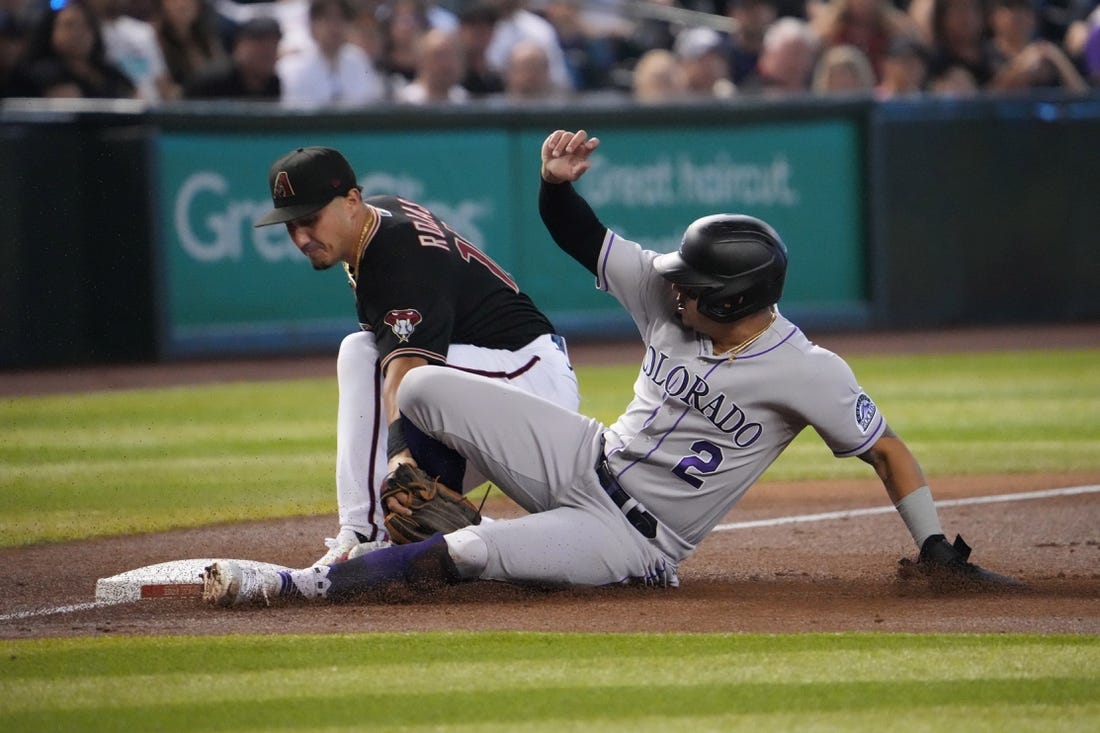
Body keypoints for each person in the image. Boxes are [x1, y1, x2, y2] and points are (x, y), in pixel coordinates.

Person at [203, 129, 1019, 606]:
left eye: (693, 286)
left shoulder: (809, 372)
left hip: (630, 538)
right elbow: (582, 236)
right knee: (413, 381)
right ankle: (377, 527)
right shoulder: (667, 289)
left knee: (477, 553)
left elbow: (887, 450)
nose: (672, 286)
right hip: (584, 454)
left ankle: (317, 587)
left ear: (734, 299)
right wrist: (554, 187)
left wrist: (935, 545)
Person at [246, 146, 581, 566]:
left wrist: (399, 454)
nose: (301, 238)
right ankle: (467, 536)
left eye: (310, 219)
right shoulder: (379, 220)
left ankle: (363, 534)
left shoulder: (398, 257)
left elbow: (404, 371)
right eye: (291, 225)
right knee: (410, 496)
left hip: (528, 377)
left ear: (351, 201)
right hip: (499, 377)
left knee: (362, 356)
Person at [6, 0, 137, 98]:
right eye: (69, 26)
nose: (78, 33)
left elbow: (135, 96)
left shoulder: (109, 72)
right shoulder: (37, 76)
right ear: (50, 30)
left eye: (85, 26)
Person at [276, 0, 385, 107]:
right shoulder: (292, 67)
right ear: (312, 25)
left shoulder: (359, 60)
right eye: (326, 18)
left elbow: (369, 103)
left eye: (341, 18)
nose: (334, 26)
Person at [183, 15, 281, 99]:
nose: (268, 52)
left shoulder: (272, 83)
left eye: (272, 47)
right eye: (260, 48)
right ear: (240, 47)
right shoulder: (211, 81)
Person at [152, 0, 229, 100]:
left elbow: (221, 75)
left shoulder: (207, 36)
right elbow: (166, 92)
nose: (183, 4)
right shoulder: (153, 39)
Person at [393, 26, 469, 103]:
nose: (446, 63)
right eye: (439, 56)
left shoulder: (463, 99)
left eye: (452, 55)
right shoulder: (405, 101)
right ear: (421, 60)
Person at [811, 42, 877, 92]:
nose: (841, 81)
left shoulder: (874, 105)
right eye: (836, 77)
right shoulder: (816, 106)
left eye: (846, 75)